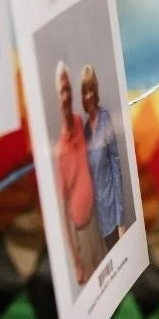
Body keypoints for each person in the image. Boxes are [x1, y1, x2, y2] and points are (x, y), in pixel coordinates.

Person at [53, 62, 106, 284]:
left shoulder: (77, 122)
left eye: (68, 89)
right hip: (82, 229)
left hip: (97, 220)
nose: (66, 96)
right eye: (62, 91)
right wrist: (76, 262)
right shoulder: (59, 152)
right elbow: (63, 212)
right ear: (58, 97)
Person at [80, 64, 127, 251]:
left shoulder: (105, 118)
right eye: (85, 91)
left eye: (91, 89)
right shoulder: (85, 131)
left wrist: (121, 220)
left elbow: (116, 169)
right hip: (98, 222)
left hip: (114, 218)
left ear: (96, 90)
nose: (89, 95)